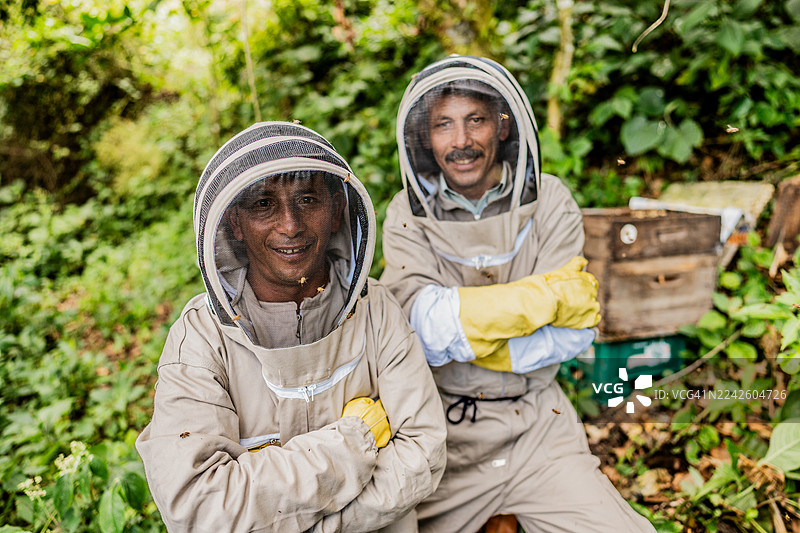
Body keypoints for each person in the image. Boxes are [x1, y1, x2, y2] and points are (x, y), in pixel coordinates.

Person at [380, 56, 656, 532]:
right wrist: (542, 302)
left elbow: (573, 334)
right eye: (444, 124)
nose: (461, 141)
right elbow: (420, 331)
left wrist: (460, 325)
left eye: (476, 120)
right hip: (441, 434)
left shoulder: (550, 199)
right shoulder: (406, 212)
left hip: (538, 428)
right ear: (424, 136)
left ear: (503, 125)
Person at [136, 121, 447, 532]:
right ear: (234, 224)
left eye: (307, 199)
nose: (290, 224)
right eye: (264, 204)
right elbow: (199, 508)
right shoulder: (201, 339)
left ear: (336, 211)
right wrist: (355, 440)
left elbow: (422, 455)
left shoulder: (377, 309)